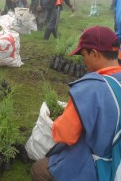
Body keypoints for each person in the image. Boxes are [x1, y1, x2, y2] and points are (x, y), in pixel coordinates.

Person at [31, 26, 121, 181]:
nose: (82, 59)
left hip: (101, 167)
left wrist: (60, 120)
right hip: (117, 156)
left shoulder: (89, 88)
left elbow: (65, 135)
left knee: (38, 169)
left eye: (83, 54)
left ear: (94, 53)